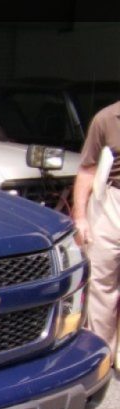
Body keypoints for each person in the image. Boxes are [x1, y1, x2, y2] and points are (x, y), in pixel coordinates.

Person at [71, 100, 120, 358]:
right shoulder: (107, 118)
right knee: (101, 280)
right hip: (111, 202)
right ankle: (102, 354)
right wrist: (80, 216)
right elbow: (88, 169)